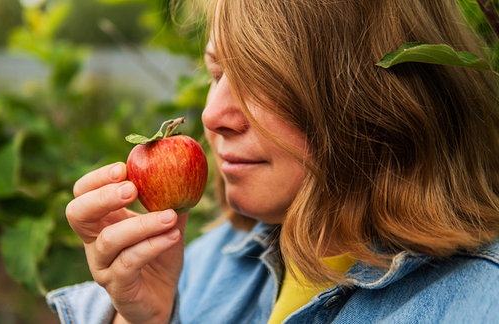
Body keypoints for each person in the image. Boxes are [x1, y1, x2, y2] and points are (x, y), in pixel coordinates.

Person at [46, 0, 499, 323]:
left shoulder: (480, 304)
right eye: (217, 74)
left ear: (371, 98)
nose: (211, 115)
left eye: (259, 79)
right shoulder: (199, 267)